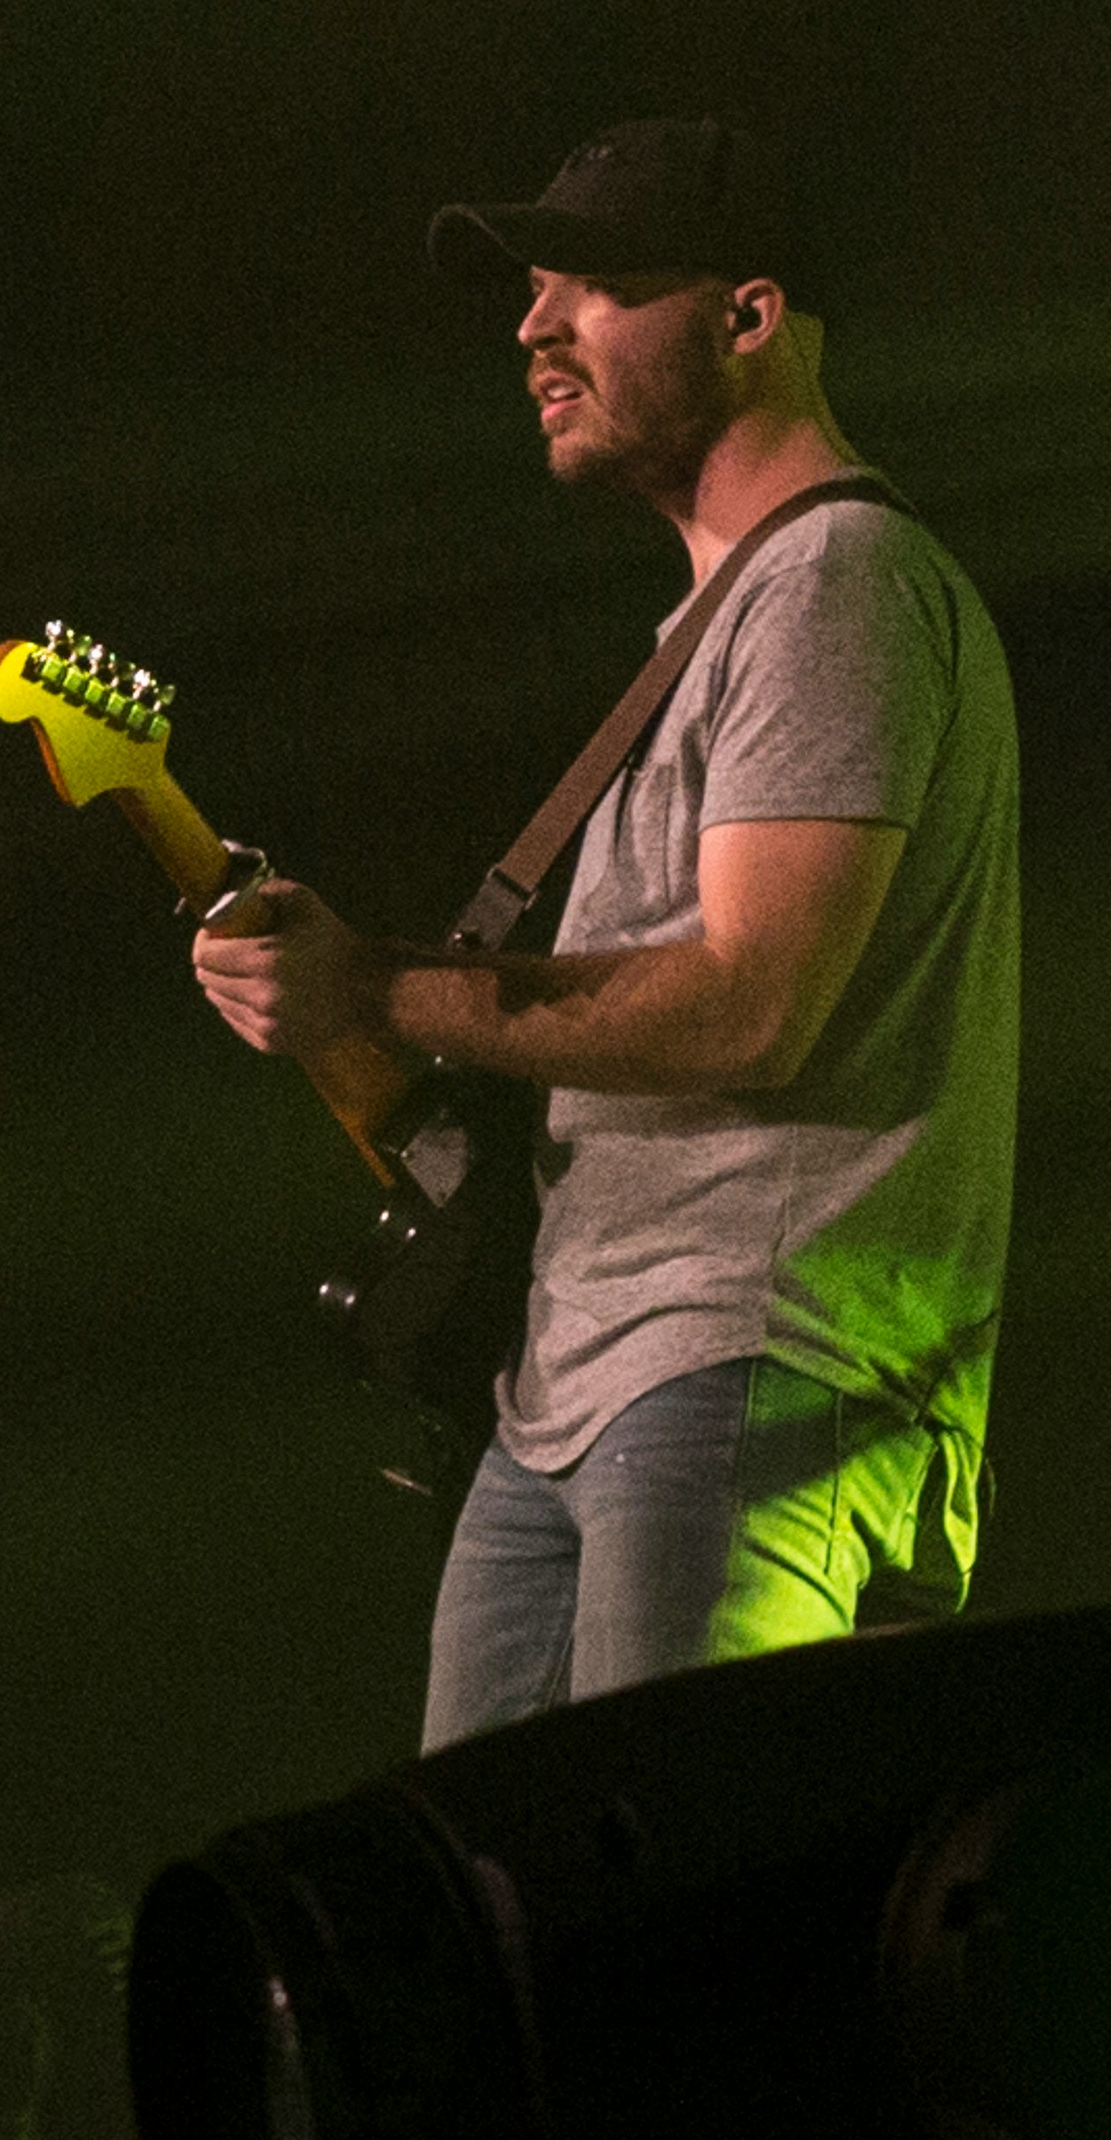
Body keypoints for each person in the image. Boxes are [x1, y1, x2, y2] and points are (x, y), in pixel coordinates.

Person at [184, 117, 1017, 1747]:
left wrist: (373, 981)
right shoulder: (724, 623)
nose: (530, 326)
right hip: (572, 1392)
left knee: (660, 1944)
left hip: (747, 1362)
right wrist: (340, 992)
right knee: (502, 1944)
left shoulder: (837, 580)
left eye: (589, 284)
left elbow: (742, 1007)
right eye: (528, 288)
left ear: (749, 315)